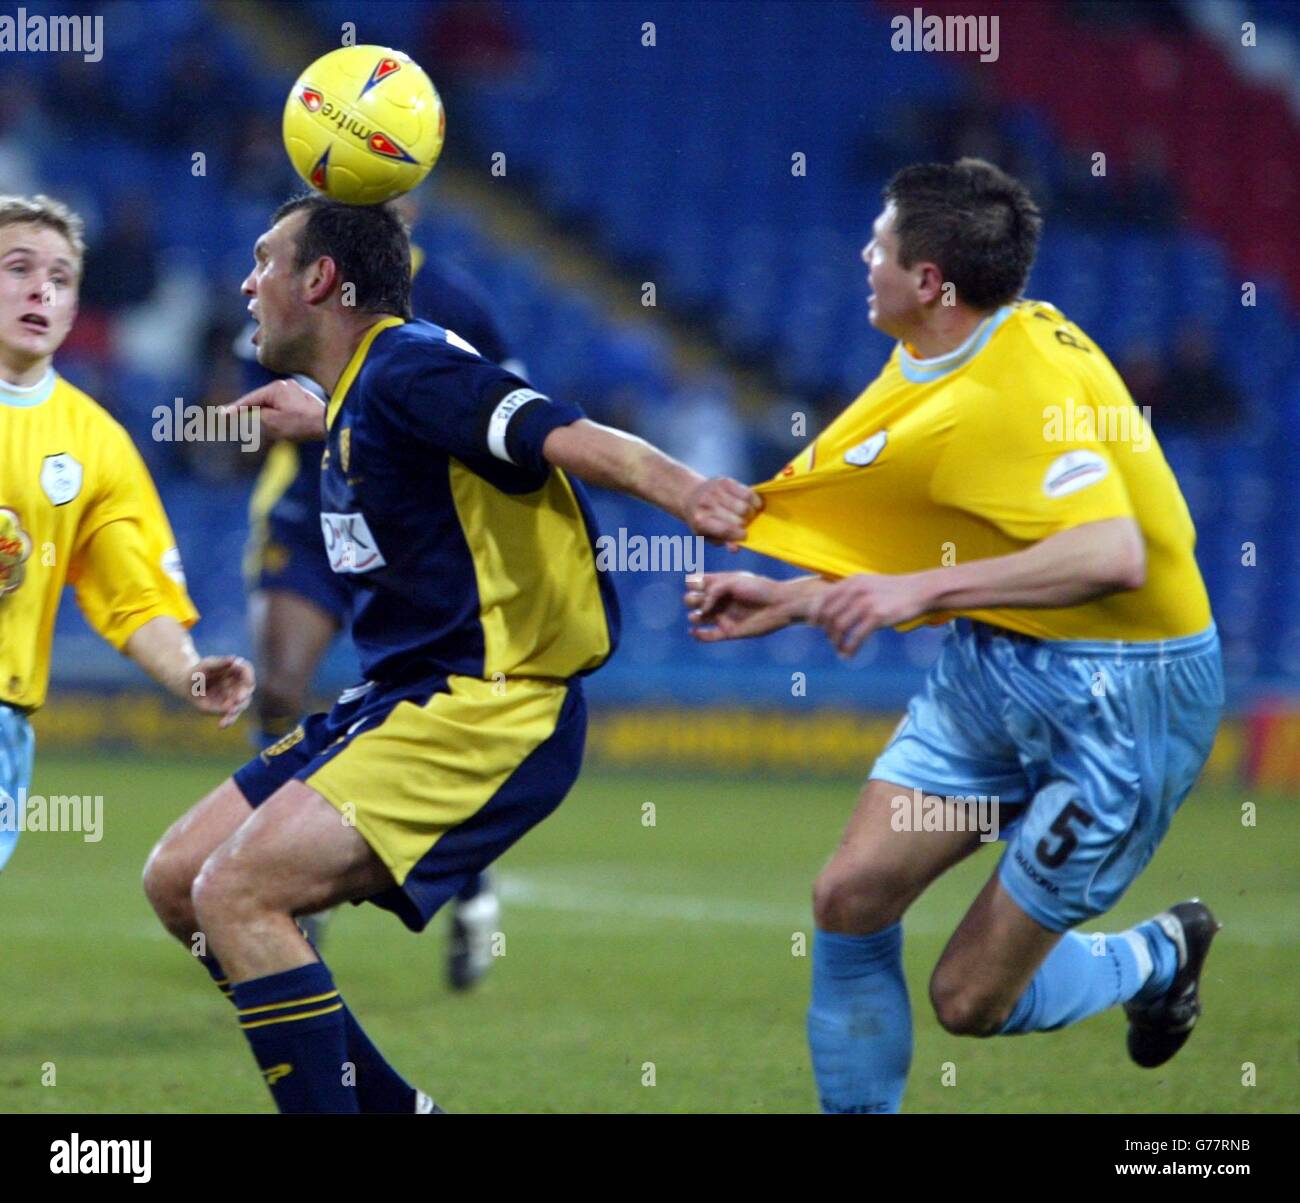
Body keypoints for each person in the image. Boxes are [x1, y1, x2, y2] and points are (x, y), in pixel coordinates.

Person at [142, 194, 757, 1114]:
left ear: (319, 280)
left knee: (237, 891)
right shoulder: (368, 391)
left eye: (265, 259)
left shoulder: (413, 366)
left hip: (492, 703)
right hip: (403, 697)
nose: (246, 281)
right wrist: (326, 417)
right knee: (180, 882)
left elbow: (562, 430)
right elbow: (410, 435)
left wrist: (689, 491)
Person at [686, 159, 1223, 1113]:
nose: (865, 255)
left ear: (930, 282)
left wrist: (910, 591)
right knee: (849, 897)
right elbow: (965, 517)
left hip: (1122, 700)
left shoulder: (1012, 391)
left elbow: (1112, 552)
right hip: (997, 663)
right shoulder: (951, 349)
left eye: (882, 244)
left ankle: (1156, 955)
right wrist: (799, 597)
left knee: (969, 1000)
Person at [242, 192, 520, 987]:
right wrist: (233, 425)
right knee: (280, 689)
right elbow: (229, 410)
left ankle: (468, 885)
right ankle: (289, 873)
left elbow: (500, 419)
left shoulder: (459, 302)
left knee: (415, 694)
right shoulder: (293, 283)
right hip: (307, 514)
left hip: (409, 522)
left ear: (422, 192)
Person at [0, 193, 253, 873]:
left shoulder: (96, 444)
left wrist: (188, 670)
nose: (39, 288)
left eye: (59, 278)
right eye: (17, 267)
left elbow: (135, 594)